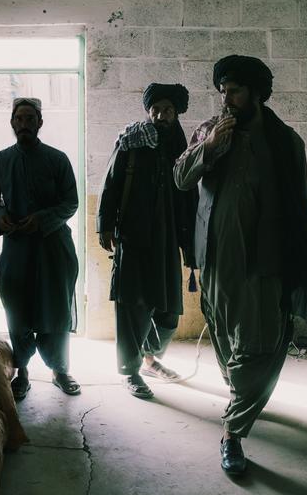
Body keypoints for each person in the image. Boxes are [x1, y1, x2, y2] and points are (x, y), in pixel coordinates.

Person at [174, 55, 307, 475]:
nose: (226, 100)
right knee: (230, 346)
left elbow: (299, 207)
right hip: (215, 261)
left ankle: (232, 433)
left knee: (260, 347)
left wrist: (299, 264)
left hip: (265, 263)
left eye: (235, 91)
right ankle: (242, 400)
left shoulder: (285, 142)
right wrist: (209, 148)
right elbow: (180, 178)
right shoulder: (209, 132)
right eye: (222, 91)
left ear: (257, 94)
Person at [97, 83, 197, 399]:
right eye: (155, 109)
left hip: (167, 240)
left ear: (176, 113)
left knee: (168, 312)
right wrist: (105, 225)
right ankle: (131, 371)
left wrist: (192, 240)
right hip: (133, 235)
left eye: (167, 110)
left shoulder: (181, 144)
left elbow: (191, 195)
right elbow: (110, 183)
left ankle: (150, 357)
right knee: (132, 308)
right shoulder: (131, 141)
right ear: (147, 110)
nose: (160, 115)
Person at [0, 97, 81, 400]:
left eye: (29, 119)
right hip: (17, 249)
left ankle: (60, 370)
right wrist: (1, 217)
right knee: (17, 311)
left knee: (56, 310)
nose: (24, 124)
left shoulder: (58, 159)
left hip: (53, 248)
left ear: (40, 123)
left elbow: (71, 202)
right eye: (19, 119)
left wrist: (41, 219)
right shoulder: (0, 161)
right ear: (12, 123)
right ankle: (21, 372)